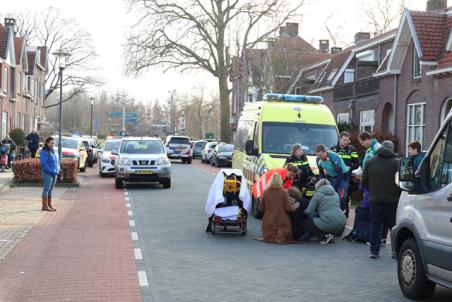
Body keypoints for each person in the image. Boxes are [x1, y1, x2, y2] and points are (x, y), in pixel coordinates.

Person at [363, 140, 400, 259]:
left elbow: (365, 181)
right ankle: (395, 251)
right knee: (393, 226)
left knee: (375, 226)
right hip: (392, 200)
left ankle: (374, 251)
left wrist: (372, 192)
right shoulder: (397, 163)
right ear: (392, 149)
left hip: (374, 199)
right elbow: (400, 183)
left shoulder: (369, 162)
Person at [302, 179, 347, 244]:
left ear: (317, 186)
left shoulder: (317, 194)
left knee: (306, 223)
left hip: (330, 221)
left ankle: (324, 236)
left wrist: (302, 211)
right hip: (342, 222)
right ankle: (331, 234)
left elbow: (309, 211)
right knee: (323, 219)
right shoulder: (335, 194)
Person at [258, 173, 299, 244]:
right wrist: (295, 206)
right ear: (280, 181)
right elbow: (288, 208)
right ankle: (280, 237)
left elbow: (261, 209)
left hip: (268, 224)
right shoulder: (284, 192)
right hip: (282, 223)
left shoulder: (265, 192)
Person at [331, 132, 360, 217]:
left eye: (348, 140)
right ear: (340, 139)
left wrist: (350, 168)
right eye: (345, 140)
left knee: (344, 199)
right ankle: (334, 216)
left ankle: (344, 217)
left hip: (346, 179)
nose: (347, 142)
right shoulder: (333, 149)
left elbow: (357, 164)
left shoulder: (352, 150)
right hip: (334, 178)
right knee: (334, 198)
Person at [315, 144, 348, 210]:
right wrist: (322, 183)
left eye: (321, 155)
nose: (319, 157)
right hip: (332, 177)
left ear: (325, 152)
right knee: (329, 196)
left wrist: (334, 187)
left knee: (341, 196)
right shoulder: (318, 159)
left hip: (342, 176)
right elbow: (321, 173)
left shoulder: (333, 157)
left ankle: (343, 211)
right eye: (318, 155)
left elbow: (340, 173)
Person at [358, 132, 381, 209]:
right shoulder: (369, 148)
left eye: (362, 142)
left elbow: (378, 164)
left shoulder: (377, 148)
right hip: (368, 178)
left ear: (367, 140)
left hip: (373, 180)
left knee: (367, 203)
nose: (362, 145)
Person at [40, 137, 60, 212]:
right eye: (51, 143)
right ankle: (44, 206)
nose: (53, 144)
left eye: (53, 143)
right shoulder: (44, 151)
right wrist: (50, 171)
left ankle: (49, 204)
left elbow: (57, 162)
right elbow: (43, 163)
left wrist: (58, 170)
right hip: (47, 173)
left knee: (50, 190)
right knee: (46, 189)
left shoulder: (55, 151)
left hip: (54, 173)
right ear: (47, 143)